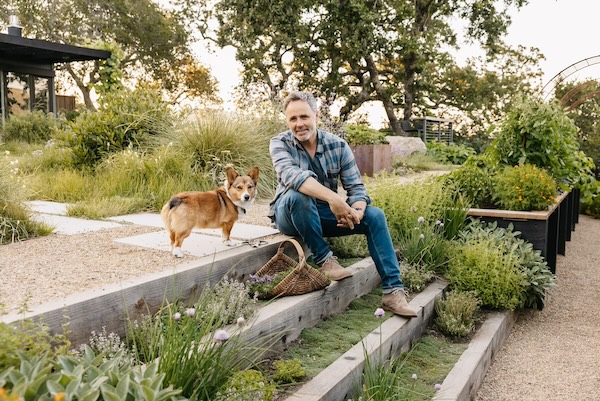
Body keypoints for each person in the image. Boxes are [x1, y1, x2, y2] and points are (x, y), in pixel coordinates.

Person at [268, 91, 417, 318]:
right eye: (293, 119)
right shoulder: (279, 143)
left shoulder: (337, 146)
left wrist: (356, 210)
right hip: (289, 214)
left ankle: (393, 291)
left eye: (304, 117)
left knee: (374, 216)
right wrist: (334, 199)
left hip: (323, 216)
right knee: (299, 196)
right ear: (287, 121)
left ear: (316, 115)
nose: (299, 124)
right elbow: (293, 177)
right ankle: (325, 259)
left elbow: (356, 188)